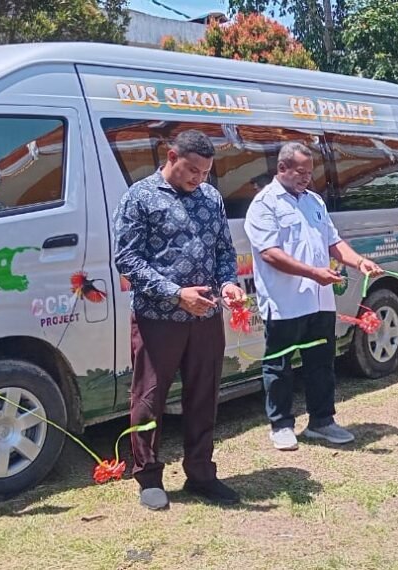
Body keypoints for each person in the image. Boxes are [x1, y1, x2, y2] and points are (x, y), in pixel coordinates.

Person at [114, 129, 246, 511]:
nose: (198, 179)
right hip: (158, 317)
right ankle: (149, 475)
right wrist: (175, 294)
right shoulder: (140, 197)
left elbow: (224, 249)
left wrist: (228, 284)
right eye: (192, 170)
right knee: (149, 397)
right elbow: (127, 259)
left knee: (204, 395)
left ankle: (201, 472)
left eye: (204, 172)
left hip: (205, 317)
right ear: (171, 156)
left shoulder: (210, 198)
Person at [244, 142, 383, 451]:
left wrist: (358, 261)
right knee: (279, 365)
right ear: (282, 168)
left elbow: (333, 242)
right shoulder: (265, 204)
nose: (306, 178)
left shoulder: (314, 201)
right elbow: (270, 254)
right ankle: (281, 425)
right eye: (300, 172)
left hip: (319, 299)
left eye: (309, 172)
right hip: (284, 301)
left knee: (321, 361)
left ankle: (322, 422)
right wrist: (314, 273)